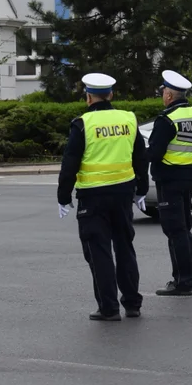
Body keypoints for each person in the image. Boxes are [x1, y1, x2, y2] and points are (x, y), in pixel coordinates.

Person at [57, 73, 149, 321]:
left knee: (99, 252)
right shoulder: (128, 119)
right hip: (123, 194)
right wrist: (142, 189)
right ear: (111, 95)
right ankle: (132, 304)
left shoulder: (82, 124)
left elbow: (70, 165)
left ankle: (108, 308)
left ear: (88, 97)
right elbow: (140, 157)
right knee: (124, 247)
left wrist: (63, 197)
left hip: (93, 197)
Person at [147, 70, 192, 297]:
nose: (163, 95)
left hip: (170, 178)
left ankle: (183, 281)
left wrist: (137, 155)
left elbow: (155, 153)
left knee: (175, 231)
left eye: (164, 91)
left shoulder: (166, 119)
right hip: (190, 177)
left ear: (169, 95)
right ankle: (184, 277)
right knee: (184, 228)